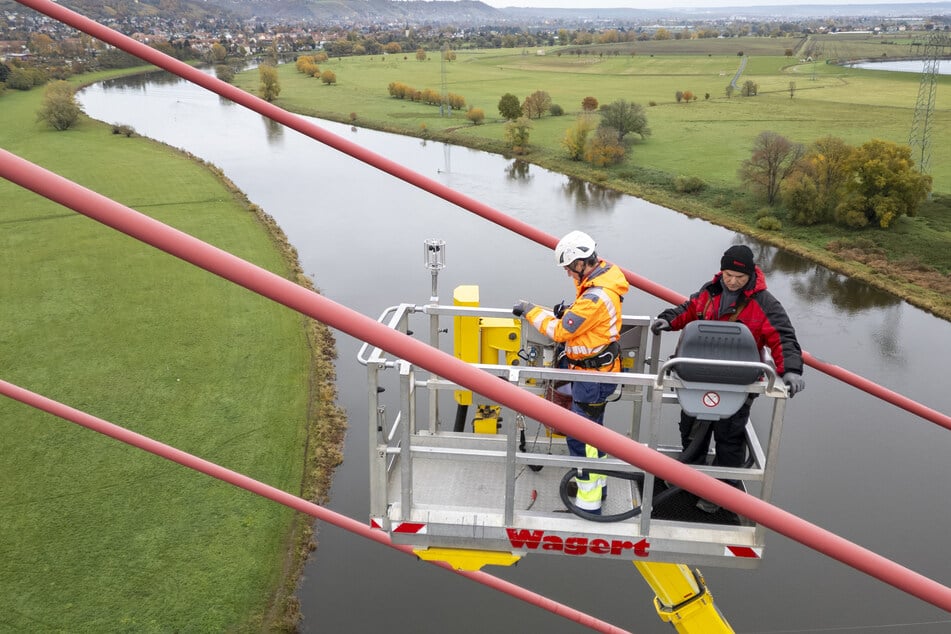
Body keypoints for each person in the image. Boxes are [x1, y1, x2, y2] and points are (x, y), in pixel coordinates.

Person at [651, 244, 804, 513]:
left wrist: (791, 369)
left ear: (750, 276)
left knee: (729, 437)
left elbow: (782, 337)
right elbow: (689, 310)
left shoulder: (764, 303)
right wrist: (668, 320)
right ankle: (688, 479)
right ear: (721, 272)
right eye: (728, 275)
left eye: (739, 277)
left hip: (737, 383)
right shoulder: (709, 293)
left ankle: (722, 493)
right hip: (698, 378)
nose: (732, 282)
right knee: (691, 429)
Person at [513, 230, 629, 515]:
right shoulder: (600, 280)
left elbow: (561, 330)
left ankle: (589, 503)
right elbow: (585, 321)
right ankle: (596, 485)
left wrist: (530, 311)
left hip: (593, 379)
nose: (567, 274)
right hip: (593, 375)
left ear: (581, 263)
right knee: (592, 435)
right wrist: (569, 311)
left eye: (568, 268)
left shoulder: (595, 296)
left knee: (581, 438)